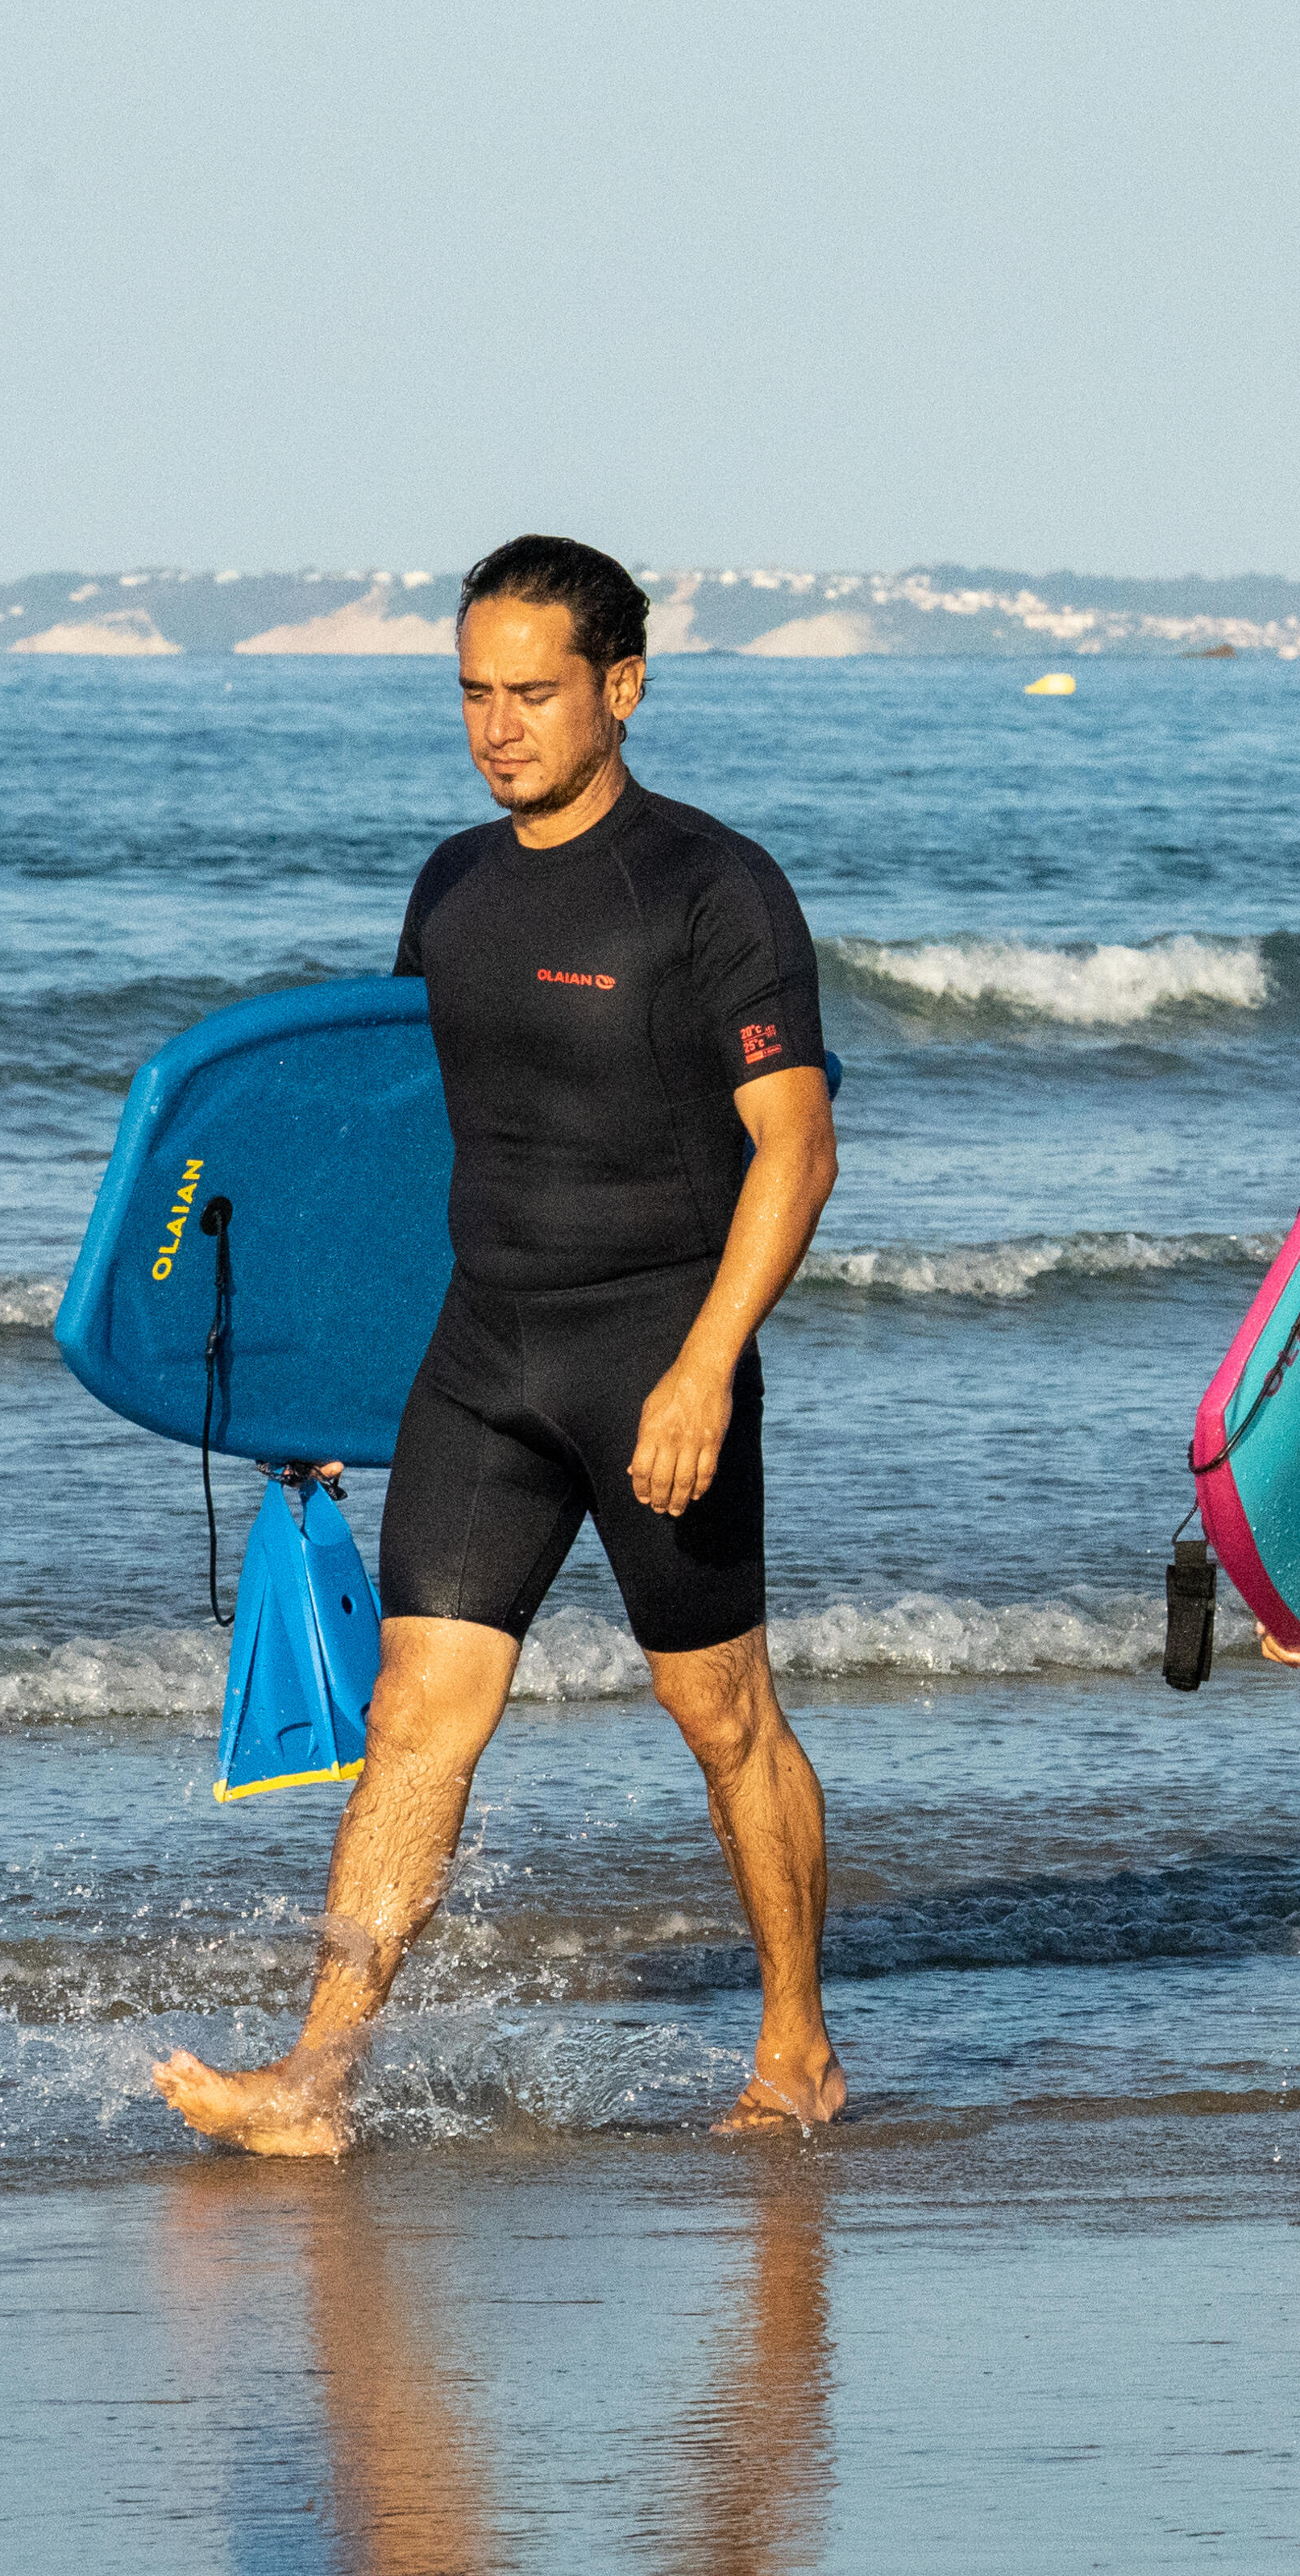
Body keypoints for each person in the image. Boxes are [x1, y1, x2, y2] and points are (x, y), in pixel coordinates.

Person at [154, 534, 845, 2156]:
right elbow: (404, 1142)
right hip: (485, 1349)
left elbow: (795, 1151)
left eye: (531, 691)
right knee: (412, 1710)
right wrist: (323, 1377)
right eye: (473, 690)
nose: (497, 724)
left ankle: (798, 2040)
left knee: (721, 1710)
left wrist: (700, 1365)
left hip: (653, 1354)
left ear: (622, 685)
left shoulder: (708, 887)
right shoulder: (453, 884)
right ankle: (315, 2077)